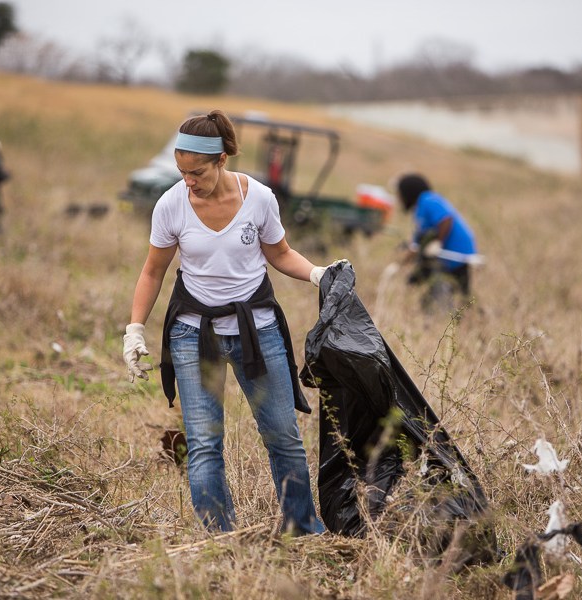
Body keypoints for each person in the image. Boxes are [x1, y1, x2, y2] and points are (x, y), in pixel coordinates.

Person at [123, 110, 341, 535]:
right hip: (192, 334)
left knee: (283, 437)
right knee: (204, 444)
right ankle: (220, 538)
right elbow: (153, 271)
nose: (189, 181)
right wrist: (134, 328)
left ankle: (303, 530)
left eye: (197, 172)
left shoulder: (258, 198)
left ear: (222, 160)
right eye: (182, 172)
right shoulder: (171, 204)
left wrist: (317, 273)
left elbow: (279, 254)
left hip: (256, 332)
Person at [395, 173, 477, 308]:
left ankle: (469, 317)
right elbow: (417, 244)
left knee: (460, 295)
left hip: (457, 253)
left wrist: (437, 242)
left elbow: (446, 219)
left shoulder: (428, 200)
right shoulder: (419, 211)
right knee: (429, 286)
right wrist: (399, 265)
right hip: (443, 257)